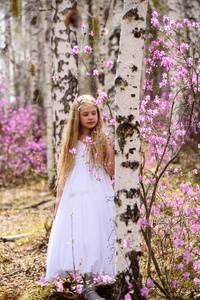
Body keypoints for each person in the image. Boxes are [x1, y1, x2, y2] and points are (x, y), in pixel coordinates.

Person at [45, 95, 115, 300]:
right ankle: (86, 286)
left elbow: (110, 171)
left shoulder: (102, 138)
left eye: (94, 113)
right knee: (81, 232)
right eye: (86, 114)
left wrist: (109, 147)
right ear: (77, 117)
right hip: (76, 190)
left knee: (96, 232)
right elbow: (64, 174)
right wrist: (58, 203)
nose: (91, 117)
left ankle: (92, 283)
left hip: (98, 188)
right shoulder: (72, 141)